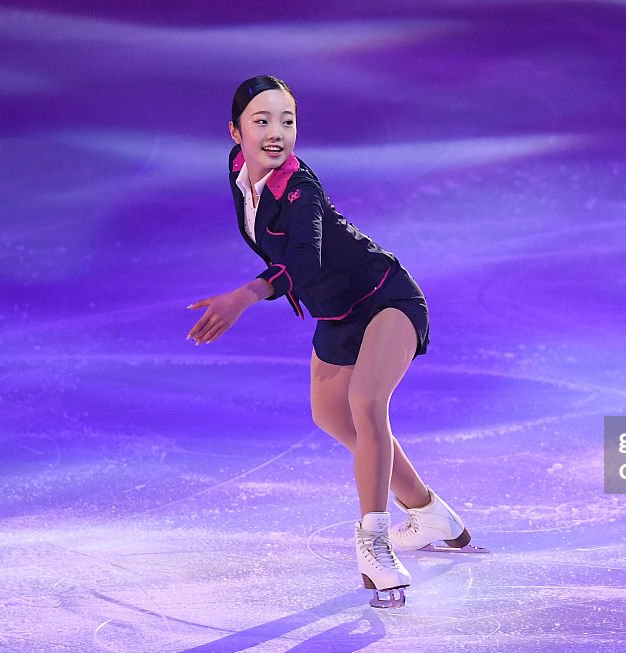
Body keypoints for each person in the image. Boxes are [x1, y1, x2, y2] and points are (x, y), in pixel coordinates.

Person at [186, 75, 480, 608]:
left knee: (366, 404)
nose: (276, 133)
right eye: (262, 121)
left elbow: (304, 260)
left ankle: (373, 543)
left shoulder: (302, 190)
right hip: (336, 313)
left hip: (384, 296)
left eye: (287, 121)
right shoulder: (238, 173)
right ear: (235, 132)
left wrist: (245, 295)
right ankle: (430, 511)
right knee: (331, 417)